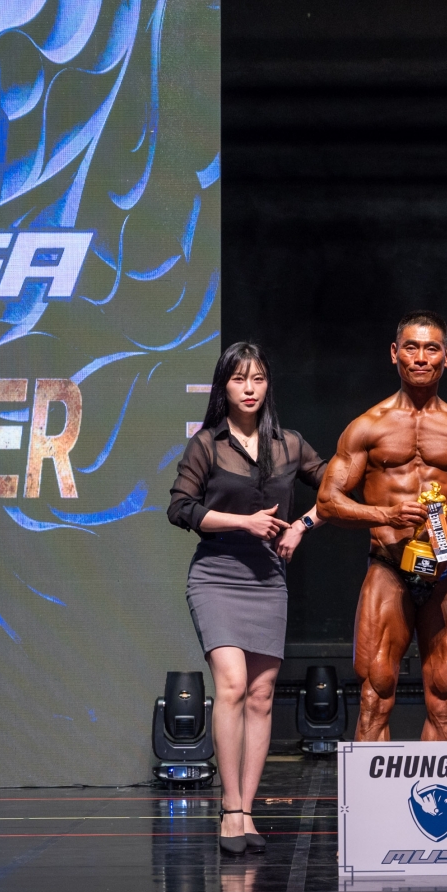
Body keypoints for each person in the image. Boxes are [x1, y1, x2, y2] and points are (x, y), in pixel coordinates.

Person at [316, 311, 447, 741]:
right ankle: (371, 789)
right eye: (411, 347)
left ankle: (436, 789)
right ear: (394, 353)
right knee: (374, 695)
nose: (421, 357)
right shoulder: (368, 427)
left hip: (445, 573)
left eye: (431, 349)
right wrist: (384, 515)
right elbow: (327, 502)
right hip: (388, 568)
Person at [167, 342, 326, 855]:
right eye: (239, 379)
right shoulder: (207, 445)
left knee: (261, 695)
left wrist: (302, 525)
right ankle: (230, 808)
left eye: (258, 378)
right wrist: (245, 522)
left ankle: (248, 812)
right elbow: (180, 508)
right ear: (224, 387)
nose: (250, 388)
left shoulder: (289, 444)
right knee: (232, 685)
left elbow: (339, 488)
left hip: (267, 578)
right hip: (216, 574)